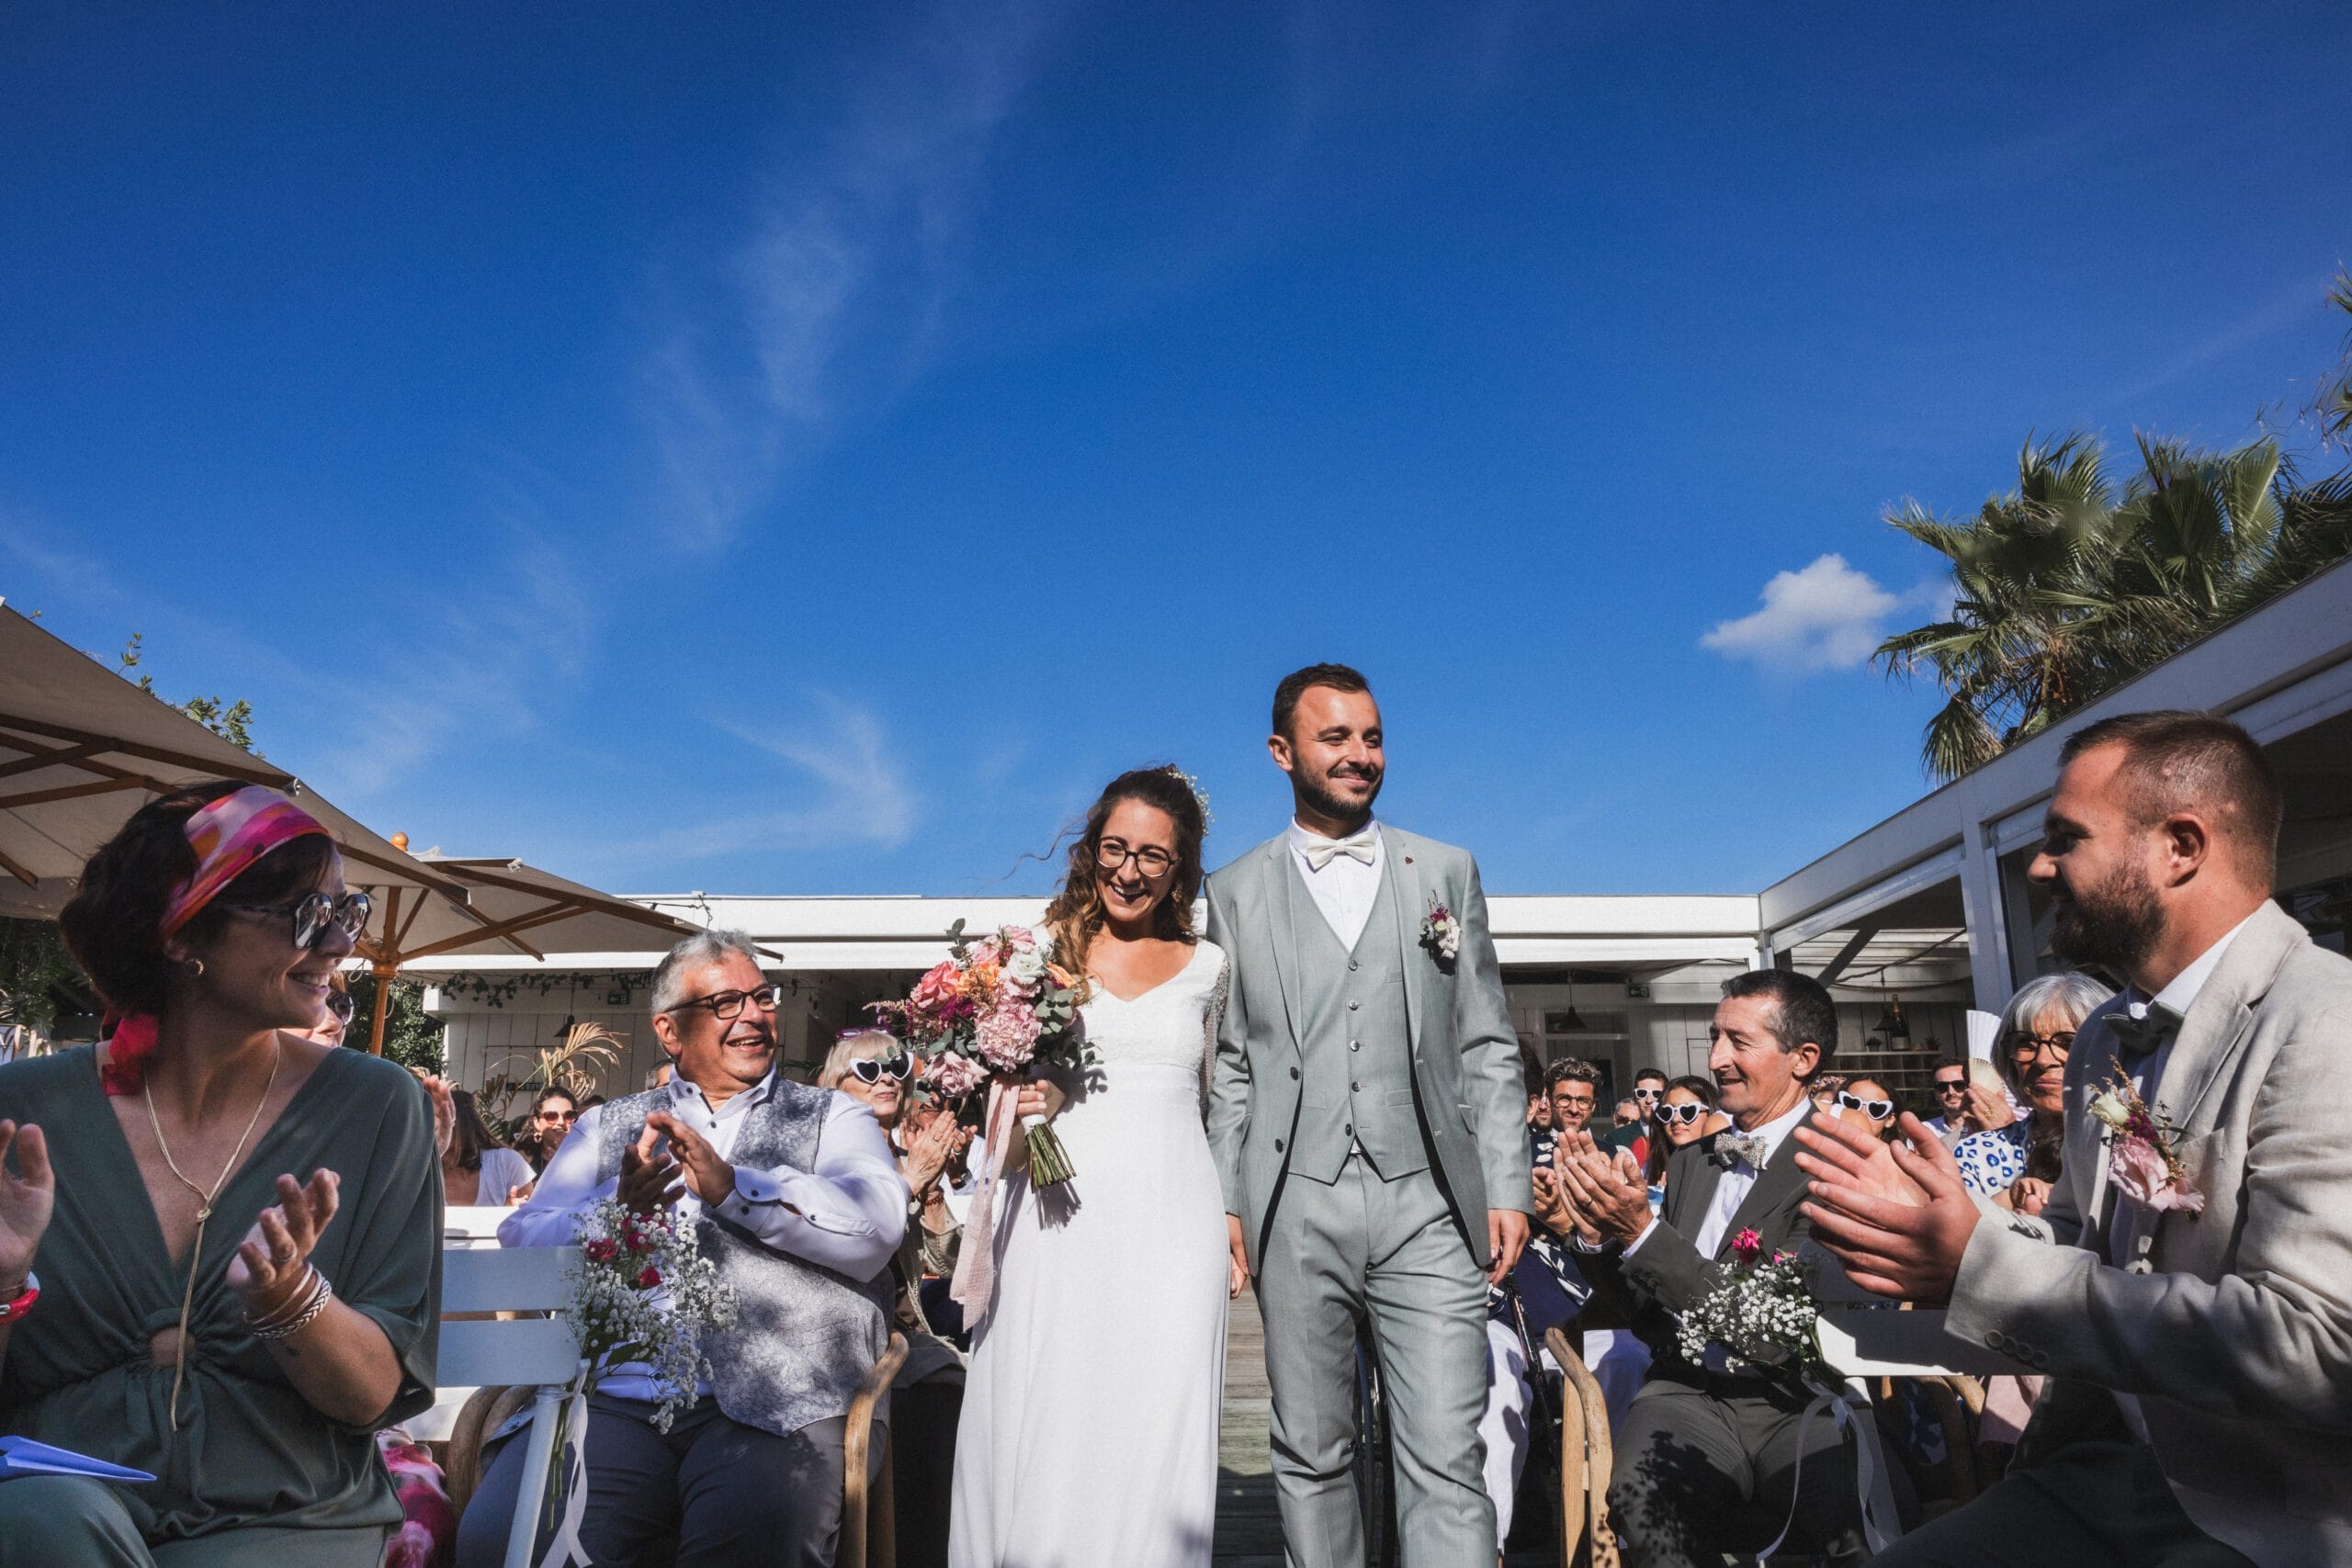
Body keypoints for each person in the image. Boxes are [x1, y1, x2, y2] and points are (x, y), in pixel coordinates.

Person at [1798, 710, 2352, 1568]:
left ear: (2181, 846)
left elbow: (2317, 1343)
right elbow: (2079, 1238)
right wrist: (1952, 1222)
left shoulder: (2325, 1020)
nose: (2038, 865)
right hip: (2098, 1470)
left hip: (2276, 1508)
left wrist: (1981, 1264)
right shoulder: (2105, 1038)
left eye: (2066, 837)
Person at [0, 782, 440, 1568]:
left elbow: (372, 1396)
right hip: (58, 1500)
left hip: (288, 1514)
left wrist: (291, 1301)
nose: (341, 943)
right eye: (310, 914)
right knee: (40, 1524)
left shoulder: (378, 1106)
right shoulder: (25, 1109)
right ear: (181, 932)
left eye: (350, 911)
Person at [1205, 663, 1531, 1568]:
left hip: (1429, 1203)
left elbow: (1486, 1044)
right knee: (1312, 1454)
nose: (1359, 755)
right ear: (1283, 753)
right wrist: (1227, 1200)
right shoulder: (1230, 893)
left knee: (1445, 1453)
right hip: (1294, 1205)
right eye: (1335, 737)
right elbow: (1231, 1064)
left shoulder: (1447, 871)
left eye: (1372, 736)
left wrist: (1508, 1181)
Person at [458, 931, 905, 1568]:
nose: (754, 1014)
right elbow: (523, 1237)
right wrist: (616, 1215)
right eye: (726, 1002)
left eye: (761, 997)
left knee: (759, 1533)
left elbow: (877, 1229)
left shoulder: (834, 1116)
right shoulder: (607, 1124)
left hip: (781, 1402)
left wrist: (735, 1189)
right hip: (612, 1399)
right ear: (669, 1031)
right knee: (501, 1538)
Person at [950, 765, 1232, 1568]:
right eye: (1115, 847)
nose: (1129, 870)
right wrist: (1027, 1096)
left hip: (1174, 1214)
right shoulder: (1040, 958)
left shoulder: (1212, 968)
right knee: (1057, 1398)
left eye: (1153, 856)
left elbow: (1230, 1098)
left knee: (1158, 1410)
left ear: (1180, 868)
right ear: (1091, 848)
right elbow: (995, 1125)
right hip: (1052, 1212)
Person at [1551, 969, 1863, 1567]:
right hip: (1685, 1393)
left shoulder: (1840, 1162)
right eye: (1713, 1037)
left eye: (1737, 1041)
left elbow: (1773, 1331)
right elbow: (1650, 1311)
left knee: (1848, 1524)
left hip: (1796, 1399)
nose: (1716, 1057)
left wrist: (1642, 1232)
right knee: (1642, 1500)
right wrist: (1591, 1235)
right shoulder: (1693, 1161)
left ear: (1803, 1058)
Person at [819, 1031, 962, 1568]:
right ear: (836, 1085)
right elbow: (849, 1242)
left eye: (897, 1068)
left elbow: (945, 1271)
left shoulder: (906, 1153)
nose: (888, 1080)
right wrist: (904, 1182)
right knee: (939, 1388)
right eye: (869, 1070)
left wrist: (933, 1202)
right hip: (849, 1328)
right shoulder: (828, 1155)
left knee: (952, 1376)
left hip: (906, 1329)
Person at [1951, 974, 2111, 1211]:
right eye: (2026, 1043)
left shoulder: (2138, 1143)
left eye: (2068, 1042)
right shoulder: (1979, 1156)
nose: (2043, 1060)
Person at [426, 1083, 534, 1207]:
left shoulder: (505, 1163)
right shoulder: (420, 1172)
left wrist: (508, 1213)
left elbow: (531, 1218)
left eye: (438, 1126)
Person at [1641, 1074, 1721, 1199]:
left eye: (1688, 1111)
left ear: (1711, 1111)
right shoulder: (1649, 1168)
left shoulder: (1729, 1164)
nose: (1675, 1119)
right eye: (1667, 1112)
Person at [517, 1087, 578, 1173]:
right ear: (537, 1123)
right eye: (551, 1116)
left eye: (569, 1115)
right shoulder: (522, 1161)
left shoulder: (590, 1158)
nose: (561, 1122)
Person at [1545, 1056, 1601, 1136]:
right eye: (1565, 1099)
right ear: (1550, 1101)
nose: (1574, 1110)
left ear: (1593, 1106)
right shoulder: (1528, 1148)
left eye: (1582, 1101)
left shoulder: (1611, 1149)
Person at [1834, 1076, 1899, 1143]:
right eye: (1853, 1104)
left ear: (1890, 1120)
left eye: (1875, 1109)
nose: (1862, 1114)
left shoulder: (1895, 1153)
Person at [1923, 1057, 1971, 1141]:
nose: (1951, 1092)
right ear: (1936, 1094)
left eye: (1959, 1085)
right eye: (1942, 1087)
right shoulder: (1925, 1131)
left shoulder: (1986, 1118)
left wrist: (1987, 1112)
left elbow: (1992, 1114)